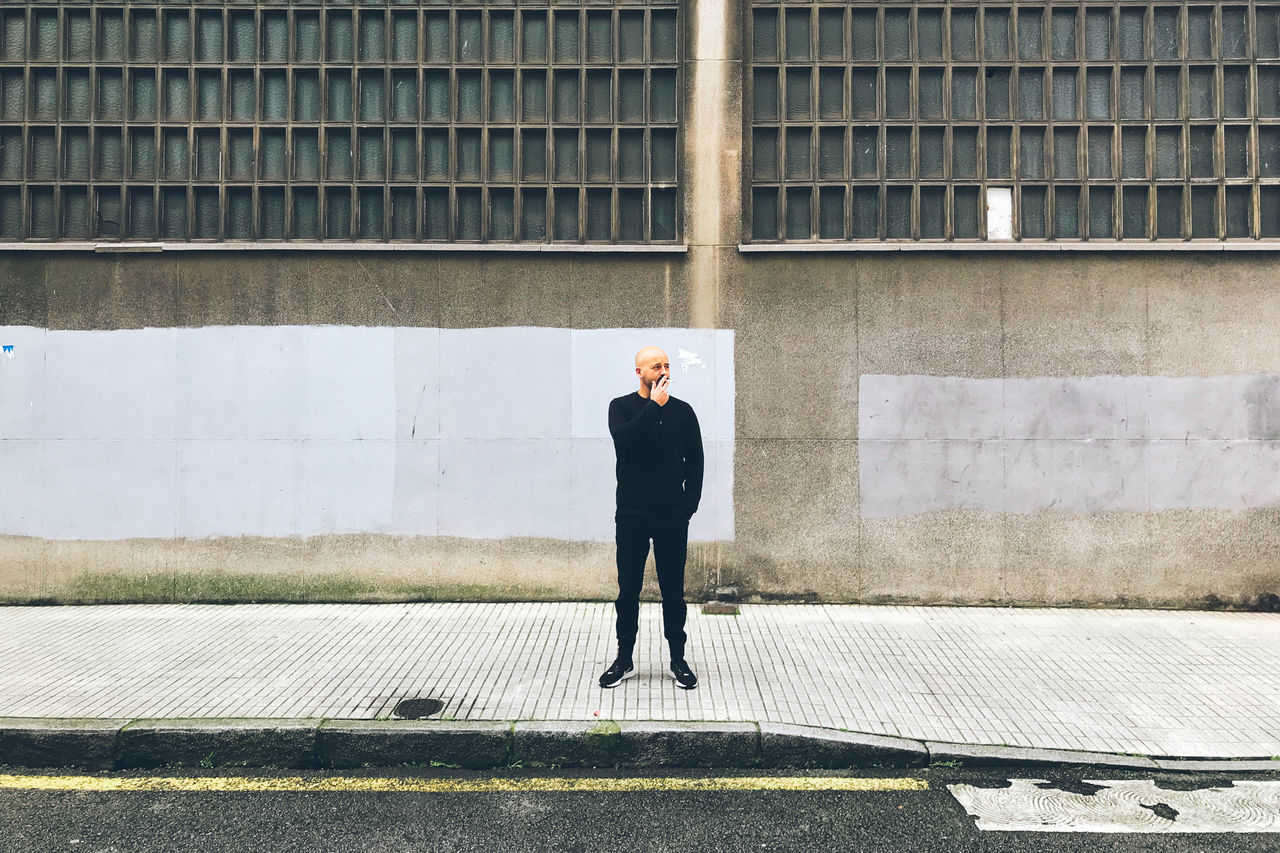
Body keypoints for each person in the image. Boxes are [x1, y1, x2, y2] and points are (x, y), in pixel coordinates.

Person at [599, 346, 703, 690]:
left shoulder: (684, 412)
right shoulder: (621, 407)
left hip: (672, 516)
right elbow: (624, 442)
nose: (663, 370)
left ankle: (677, 659)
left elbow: (696, 462)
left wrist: (688, 506)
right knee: (628, 590)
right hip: (631, 515)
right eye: (656, 365)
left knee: (673, 592)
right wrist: (652, 406)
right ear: (639, 372)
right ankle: (624, 659)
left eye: (667, 365)